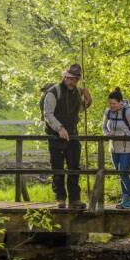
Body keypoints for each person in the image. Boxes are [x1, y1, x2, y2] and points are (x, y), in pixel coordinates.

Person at [43, 63, 92, 209]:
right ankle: (60, 198)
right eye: (71, 78)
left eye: (76, 79)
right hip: (55, 136)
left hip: (73, 135)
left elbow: (79, 109)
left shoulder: (77, 92)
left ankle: (75, 199)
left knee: (74, 168)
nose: (73, 81)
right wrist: (60, 129)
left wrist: (88, 101)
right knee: (57, 168)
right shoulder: (53, 92)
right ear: (65, 77)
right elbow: (48, 114)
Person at [101, 87, 130, 209]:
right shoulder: (108, 112)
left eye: (114, 103)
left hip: (128, 148)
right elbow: (104, 127)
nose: (111, 106)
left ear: (120, 102)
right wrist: (107, 133)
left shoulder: (129, 112)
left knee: (123, 173)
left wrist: (129, 135)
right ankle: (125, 199)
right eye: (110, 103)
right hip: (114, 148)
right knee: (120, 174)